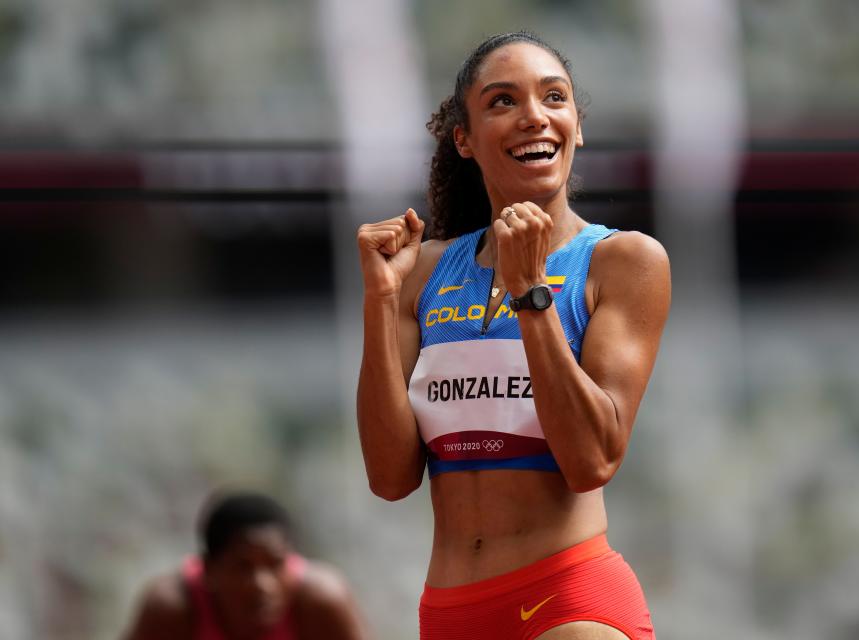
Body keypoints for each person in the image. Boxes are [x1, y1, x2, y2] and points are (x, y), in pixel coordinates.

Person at [356, 31, 671, 639]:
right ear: (464, 139)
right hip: (448, 611)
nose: (534, 116)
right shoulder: (423, 271)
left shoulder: (622, 261)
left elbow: (593, 459)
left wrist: (532, 295)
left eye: (554, 97)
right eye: (503, 101)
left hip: (568, 602)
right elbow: (390, 478)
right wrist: (381, 299)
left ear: (576, 126)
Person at [122, 490, 366, 640]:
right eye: (243, 567)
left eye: (275, 565)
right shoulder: (173, 609)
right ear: (208, 570)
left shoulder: (321, 602)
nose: (262, 584)